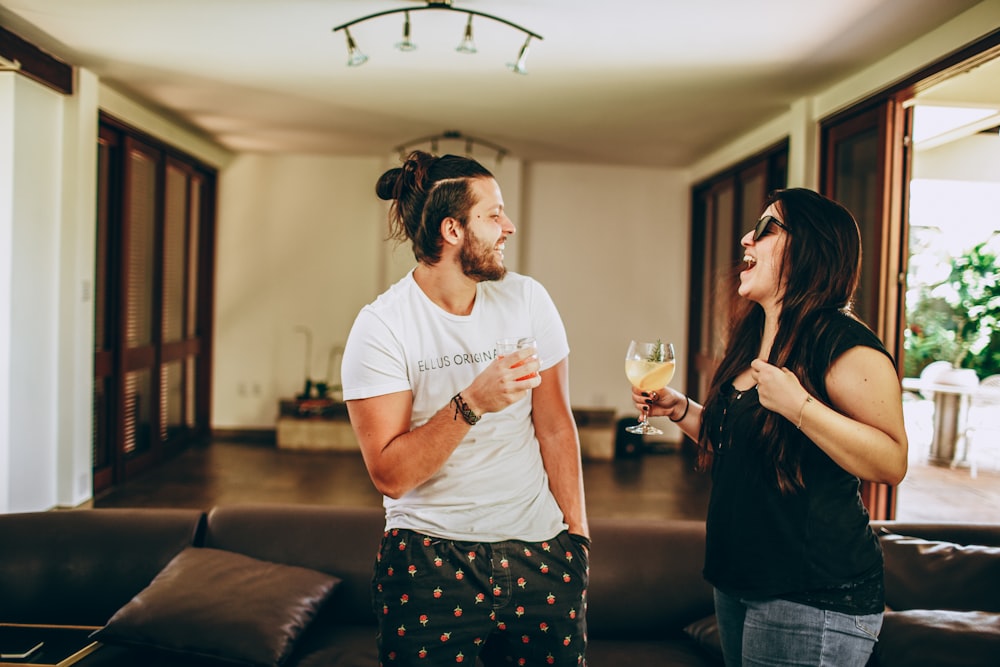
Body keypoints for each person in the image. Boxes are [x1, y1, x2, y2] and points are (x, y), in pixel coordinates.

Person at [633, 188, 908, 666]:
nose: (746, 239)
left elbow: (891, 461)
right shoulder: (754, 336)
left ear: (809, 248)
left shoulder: (843, 343)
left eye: (765, 229)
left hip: (812, 594)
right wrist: (681, 410)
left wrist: (799, 406)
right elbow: (740, 442)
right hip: (739, 580)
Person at [341, 150, 590, 666]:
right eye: (494, 214)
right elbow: (390, 474)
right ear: (452, 229)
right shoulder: (382, 327)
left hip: (541, 552)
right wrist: (473, 401)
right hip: (428, 561)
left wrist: (577, 539)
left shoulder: (527, 300)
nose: (509, 227)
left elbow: (555, 428)